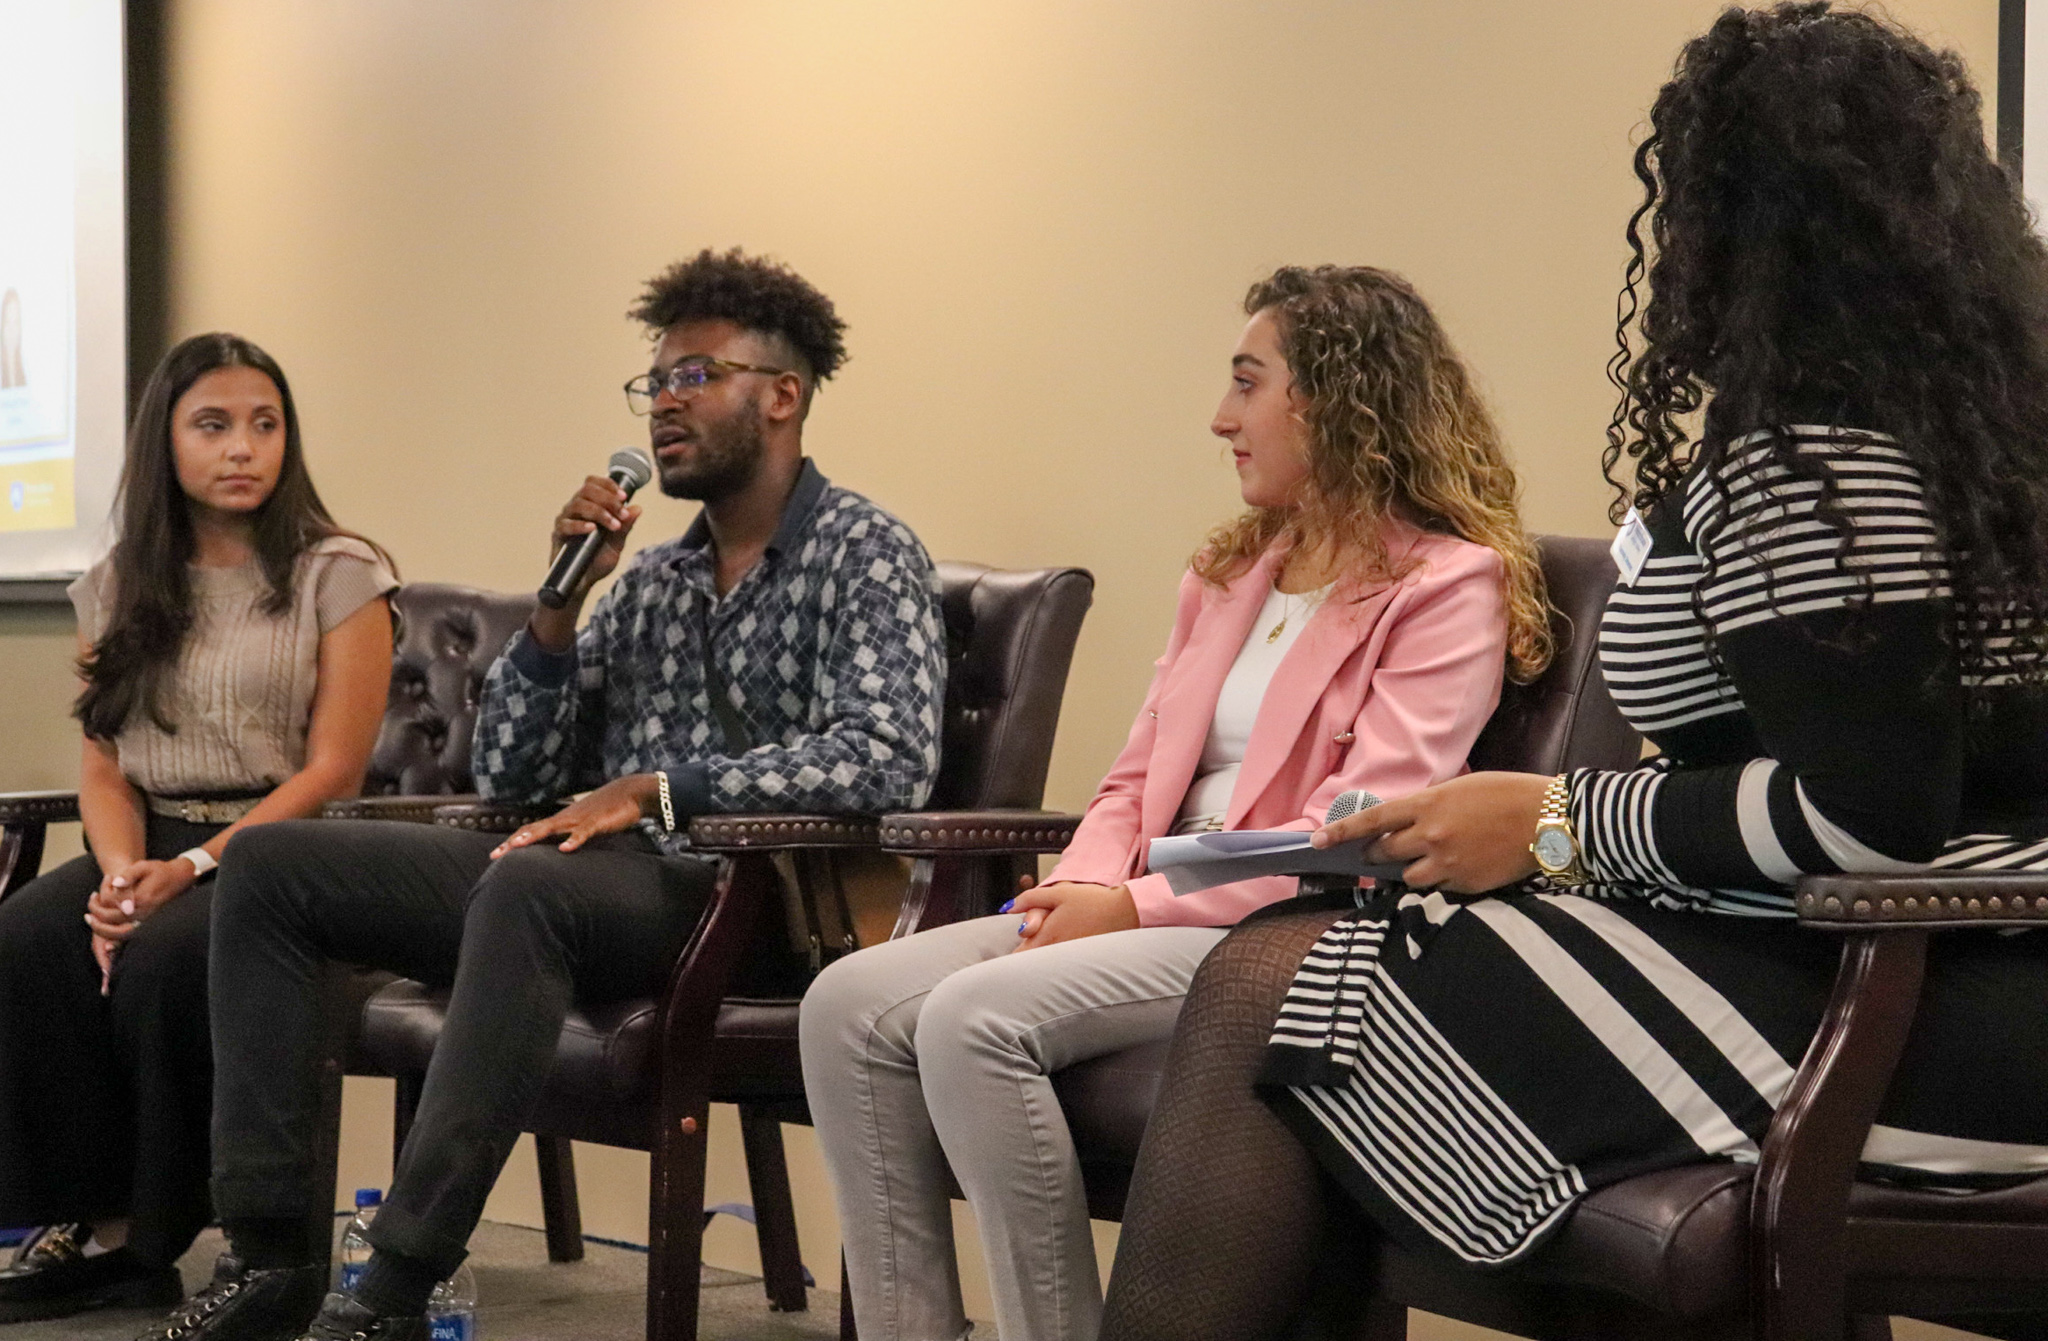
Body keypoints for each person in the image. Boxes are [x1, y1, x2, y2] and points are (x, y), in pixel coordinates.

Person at [1098, 9, 2048, 1340]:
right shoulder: (1949, 429)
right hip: (1883, 960)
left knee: (1275, 993)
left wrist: (1548, 821)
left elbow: (1864, 816)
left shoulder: (1817, 453)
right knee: (1296, 986)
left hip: (1919, 1001)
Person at [138, 248, 948, 1341]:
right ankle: (271, 1253)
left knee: (524, 888)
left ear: (782, 395)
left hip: (748, 901)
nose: (665, 400)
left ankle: (389, 1287)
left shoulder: (864, 554)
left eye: (695, 375)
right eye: (654, 380)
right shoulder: (652, 581)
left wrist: (663, 790)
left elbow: (887, 755)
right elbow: (513, 777)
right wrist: (559, 613)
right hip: (596, 885)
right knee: (277, 866)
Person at [801, 263, 1550, 1341]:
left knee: (973, 1020)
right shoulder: (1228, 574)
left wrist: (1136, 906)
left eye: (1247, 384)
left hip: (1284, 929)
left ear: (1334, 399)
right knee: (843, 1007)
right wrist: (1083, 885)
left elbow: (1361, 832)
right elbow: (1128, 776)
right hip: (1143, 899)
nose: (1220, 419)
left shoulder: (1444, 587)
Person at [0, 333, 396, 1323]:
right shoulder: (117, 582)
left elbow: (333, 769)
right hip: (148, 843)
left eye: (265, 425)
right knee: (26, 941)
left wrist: (192, 866)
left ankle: (157, 1231)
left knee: (165, 962)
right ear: (165, 444)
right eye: (213, 425)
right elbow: (104, 759)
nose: (242, 448)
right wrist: (122, 872)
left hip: (279, 859)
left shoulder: (340, 575)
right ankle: (93, 1225)